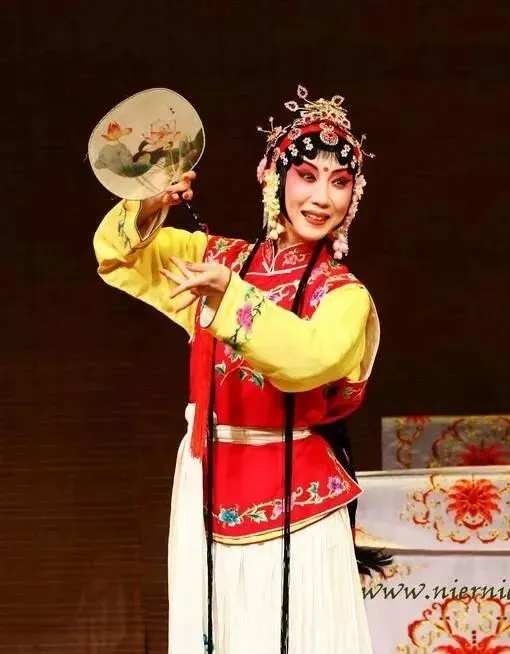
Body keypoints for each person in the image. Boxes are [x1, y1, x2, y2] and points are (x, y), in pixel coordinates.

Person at [93, 86, 384, 653]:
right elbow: (120, 256)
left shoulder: (343, 294)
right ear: (270, 177)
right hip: (206, 485)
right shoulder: (217, 259)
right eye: (306, 175)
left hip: (299, 502)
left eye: (339, 182)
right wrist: (151, 204)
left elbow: (308, 360)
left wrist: (229, 297)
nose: (321, 197)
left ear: (354, 197)